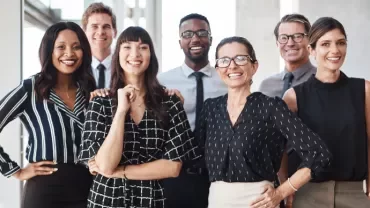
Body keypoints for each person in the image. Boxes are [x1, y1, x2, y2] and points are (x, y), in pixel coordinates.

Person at [200, 36, 331, 208]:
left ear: (254, 66)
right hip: (217, 201)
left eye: (241, 58)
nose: (232, 65)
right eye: (224, 60)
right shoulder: (210, 109)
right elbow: (194, 156)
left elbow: (319, 153)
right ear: (218, 69)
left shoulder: (271, 107)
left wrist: (282, 192)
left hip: (260, 202)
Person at [78, 26, 199, 208]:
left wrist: (121, 172)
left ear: (151, 56)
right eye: (127, 47)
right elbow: (105, 165)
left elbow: (172, 168)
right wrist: (120, 112)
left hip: (151, 201)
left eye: (143, 47)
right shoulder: (99, 103)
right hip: (106, 201)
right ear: (118, 54)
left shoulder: (170, 102)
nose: (135, 54)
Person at [0, 22, 96, 208]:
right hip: (45, 191)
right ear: (49, 51)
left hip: (88, 187)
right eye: (61, 47)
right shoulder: (31, 88)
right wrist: (15, 171)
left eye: (76, 47)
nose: (69, 53)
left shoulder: (89, 89)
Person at [283, 17, 370, 208]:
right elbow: (282, 150)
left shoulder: (363, 90)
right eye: (325, 44)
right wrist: (285, 188)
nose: (335, 50)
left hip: (354, 194)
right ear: (311, 50)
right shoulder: (293, 97)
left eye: (340, 43)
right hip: (307, 196)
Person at [158, 13, 227, 208]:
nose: (195, 39)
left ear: (211, 40)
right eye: (187, 34)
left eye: (201, 33)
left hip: (217, 175)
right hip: (175, 174)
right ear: (180, 42)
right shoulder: (162, 81)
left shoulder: (226, 79)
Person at [259, 14, 316, 98]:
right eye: (283, 38)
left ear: (310, 41)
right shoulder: (266, 86)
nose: (290, 43)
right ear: (277, 44)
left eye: (297, 36)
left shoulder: (321, 80)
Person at [82, 2, 117, 89]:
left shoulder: (125, 67)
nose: (100, 32)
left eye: (106, 26)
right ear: (84, 32)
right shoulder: (76, 68)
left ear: (115, 32)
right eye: (94, 26)